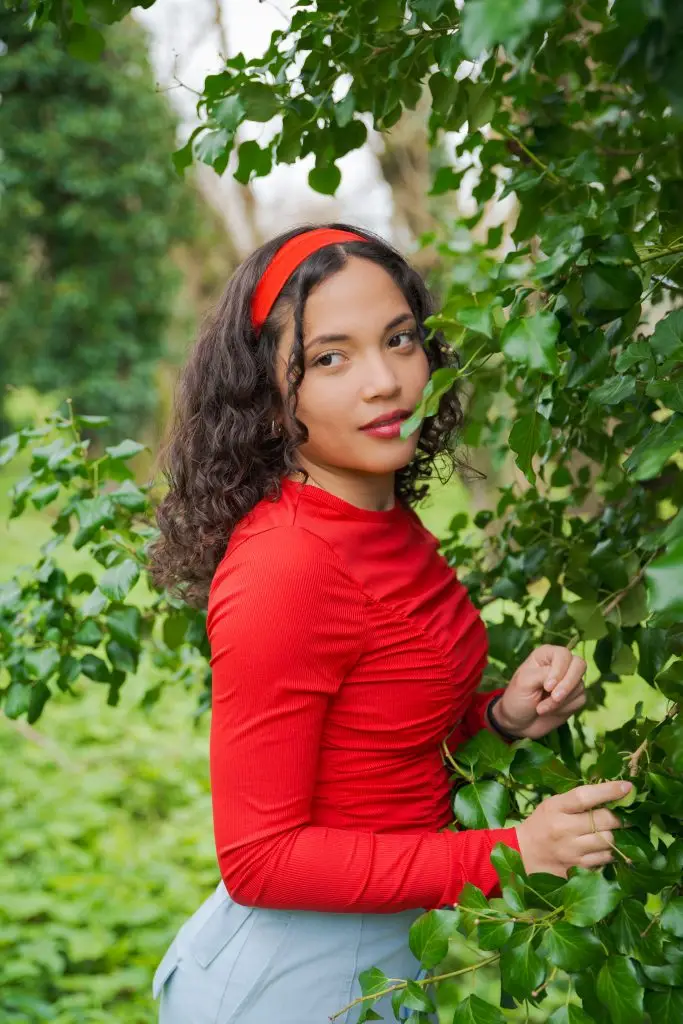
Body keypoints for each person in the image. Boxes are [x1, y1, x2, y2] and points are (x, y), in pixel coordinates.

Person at [148, 224, 632, 1024]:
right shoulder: (286, 567)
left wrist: (501, 717)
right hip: (294, 986)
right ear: (268, 392)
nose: (384, 381)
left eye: (400, 340)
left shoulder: (377, 517)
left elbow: (379, 734)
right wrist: (515, 852)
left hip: (379, 969)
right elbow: (258, 859)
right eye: (330, 357)